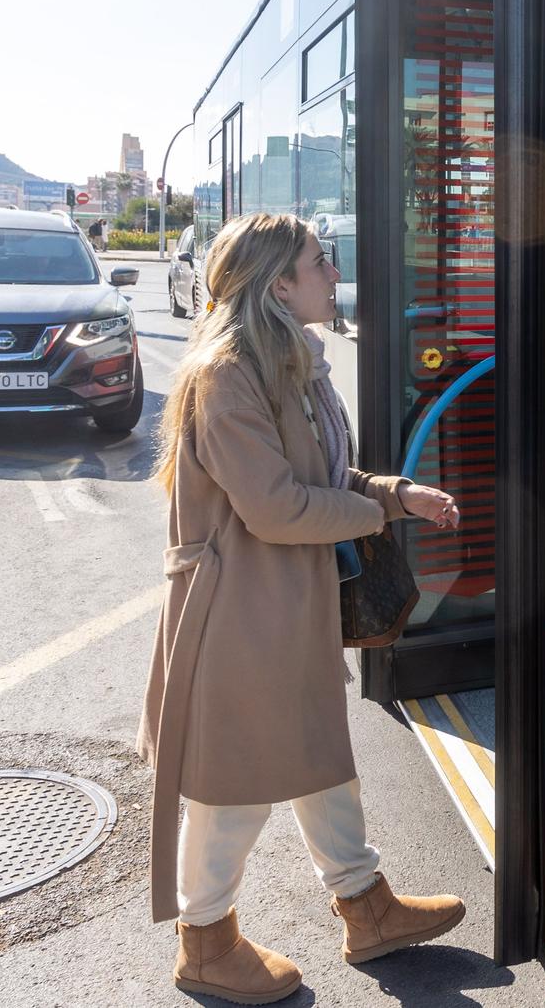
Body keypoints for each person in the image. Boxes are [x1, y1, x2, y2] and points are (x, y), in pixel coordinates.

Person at [141, 212, 466, 1002]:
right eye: (321, 262)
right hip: (237, 617)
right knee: (235, 785)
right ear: (279, 284)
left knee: (320, 758)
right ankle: (206, 940)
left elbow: (329, 477)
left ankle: (366, 906)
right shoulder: (226, 374)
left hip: (285, 604)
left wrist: (397, 494)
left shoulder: (292, 361)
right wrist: (379, 512)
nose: (333, 273)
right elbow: (279, 508)